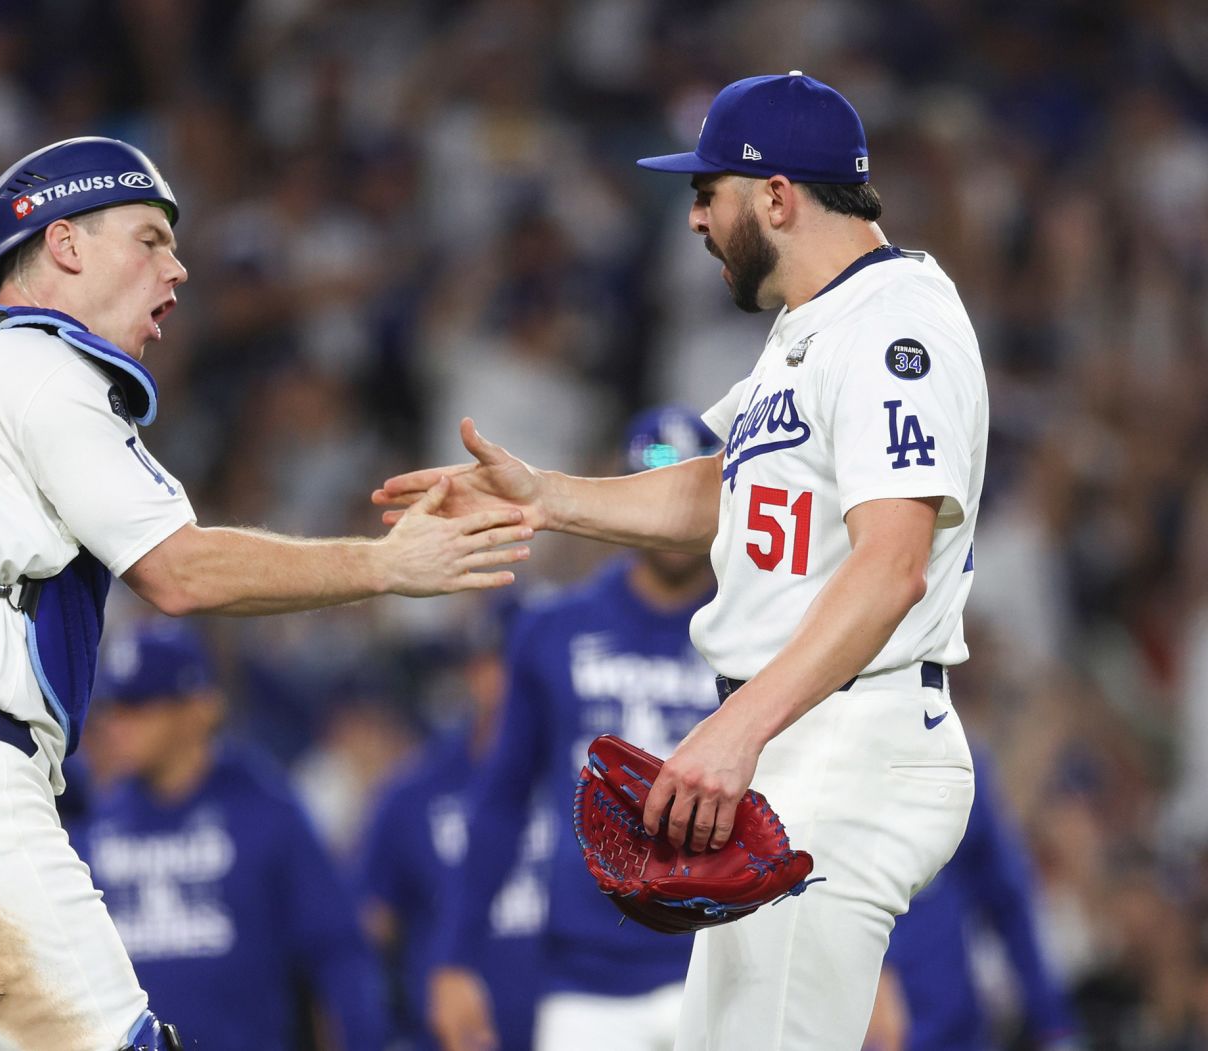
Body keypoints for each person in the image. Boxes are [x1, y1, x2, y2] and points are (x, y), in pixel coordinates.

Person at [0, 136, 531, 1051]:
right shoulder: (42, 369)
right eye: (149, 238)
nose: (178, 267)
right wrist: (384, 566)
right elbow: (178, 571)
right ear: (64, 245)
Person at [376, 72, 985, 1051]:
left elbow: (892, 564)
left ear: (779, 197)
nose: (695, 217)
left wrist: (733, 729)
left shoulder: (891, 325)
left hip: (844, 734)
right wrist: (545, 497)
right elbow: (717, 489)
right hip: (795, 736)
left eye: (710, 192)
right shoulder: (812, 330)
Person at [423, 407, 723, 1051]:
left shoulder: (759, 631)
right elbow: (500, 799)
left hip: (727, 964)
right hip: (587, 976)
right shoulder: (553, 629)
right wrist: (454, 957)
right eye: (654, 487)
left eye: (690, 489)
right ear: (625, 494)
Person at [76, 619, 385, 1051]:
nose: (117, 724)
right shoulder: (98, 819)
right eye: (115, 707)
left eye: (141, 705)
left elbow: (337, 954)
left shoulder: (264, 809)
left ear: (199, 708)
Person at [358, 598, 552, 1051]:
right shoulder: (413, 793)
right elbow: (367, 927)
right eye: (485, 664)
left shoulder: (583, 778)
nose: (498, 680)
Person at [884, 746, 1080, 1050]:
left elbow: (1009, 904)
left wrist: (1052, 1025)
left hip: (957, 1032)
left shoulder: (955, 762)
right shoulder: (816, 765)